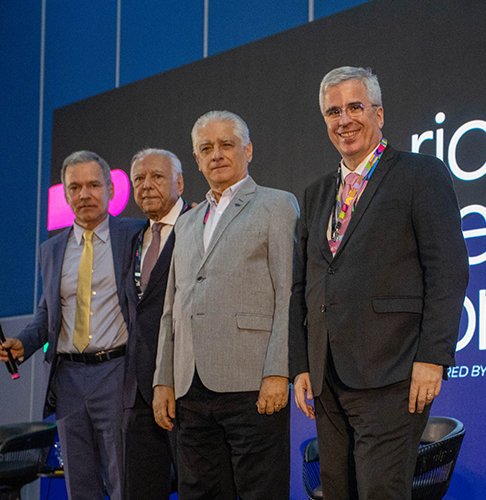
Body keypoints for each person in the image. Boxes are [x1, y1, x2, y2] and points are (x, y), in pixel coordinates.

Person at [289, 66, 469, 499]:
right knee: (339, 492)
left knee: (380, 493)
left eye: (355, 107)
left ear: (379, 113)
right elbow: (303, 286)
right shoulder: (316, 194)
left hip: (394, 372)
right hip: (328, 375)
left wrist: (433, 357)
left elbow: (448, 270)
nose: (344, 120)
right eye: (333, 111)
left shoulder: (420, 174)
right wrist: (300, 365)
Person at [152, 111, 299, 499]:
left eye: (226, 144)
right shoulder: (185, 222)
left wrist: (278, 372)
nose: (216, 154)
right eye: (206, 148)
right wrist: (163, 379)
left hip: (253, 383)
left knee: (260, 492)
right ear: (197, 161)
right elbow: (172, 307)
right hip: (189, 387)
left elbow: (288, 294)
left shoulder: (277, 206)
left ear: (247, 150)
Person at [0, 151, 143, 500]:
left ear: (110, 189)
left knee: (125, 480)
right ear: (65, 195)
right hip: (68, 382)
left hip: (119, 373)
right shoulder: (50, 250)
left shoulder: (136, 234)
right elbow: (47, 315)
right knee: (79, 485)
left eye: (94, 185)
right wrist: (23, 343)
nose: (84, 194)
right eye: (75, 187)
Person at [122, 148, 187, 500]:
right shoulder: (135, 239)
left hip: (187, 387)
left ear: (179, 181)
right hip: (137, 395)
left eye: (157, 176)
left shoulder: (199, 224)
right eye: (138, 179)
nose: (146, 185)